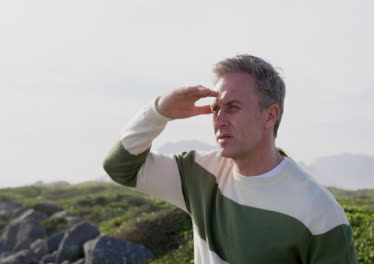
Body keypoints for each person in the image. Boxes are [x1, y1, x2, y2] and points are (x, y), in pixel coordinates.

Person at [103, 54, 357, 263]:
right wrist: (160, 111)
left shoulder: (321, 212)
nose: (219, 120)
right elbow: (120, 167)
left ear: (270, 116)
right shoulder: (198, 173)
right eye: (216, 108)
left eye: (233, 107)